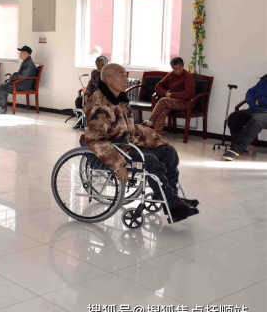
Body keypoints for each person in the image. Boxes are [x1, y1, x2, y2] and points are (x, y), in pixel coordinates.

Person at [85, 64, 199, 222]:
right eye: (122, 76)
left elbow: (129, 128)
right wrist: (118, 164)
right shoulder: (99, 105)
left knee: (168, 152)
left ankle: (171, 199)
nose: (126, 79)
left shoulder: (119, 98)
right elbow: (95, 140)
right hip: (115, 151)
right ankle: (172, 202)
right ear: (109, 80)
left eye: (126, 75)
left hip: (128, 144)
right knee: (150, 161)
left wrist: (152, 138)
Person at [144, 57, 195, 134]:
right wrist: (165, 93)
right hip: (172, 102)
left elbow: (188, 94)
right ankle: (156, 136)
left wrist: (171, 95)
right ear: (172, 68)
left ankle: (150, 120)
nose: (178, 70)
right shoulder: (171, 75)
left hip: (186, 103)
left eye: (180, 68)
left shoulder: (188, 76)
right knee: (163, 111)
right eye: (175, 69)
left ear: (183, 66)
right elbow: (158, 86)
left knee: (163, 100)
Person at [224, 74, 267, 161]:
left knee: (256, 120)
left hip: (265, 112)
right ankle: (241, 147)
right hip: (253, 109)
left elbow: (259, 99)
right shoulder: (264, 79)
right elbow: (250, 92)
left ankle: (237, 149)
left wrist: (260, 101)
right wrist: (253, 101)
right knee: (233, 117)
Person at [0, 46, 37, 115]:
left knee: (2, 88)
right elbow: (22, 75)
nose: (20, 54)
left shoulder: (29, 63)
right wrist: (14, 76)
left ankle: (0, 108)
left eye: (21, 52)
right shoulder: (26, 62)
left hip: (23, 85)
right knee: (1, 86)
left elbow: (23, 76)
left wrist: (12, 77)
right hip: (21, 83)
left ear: (25, 53)